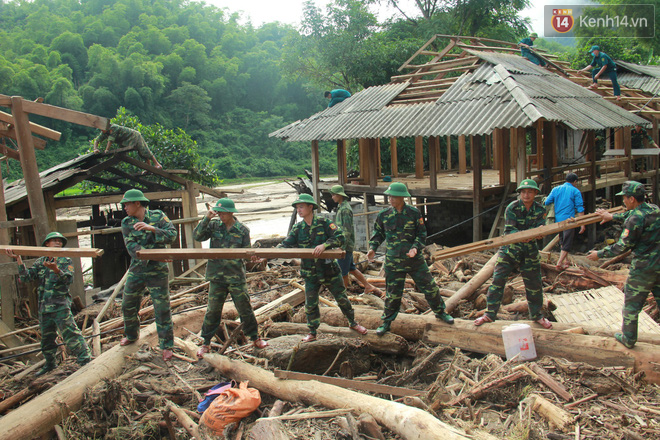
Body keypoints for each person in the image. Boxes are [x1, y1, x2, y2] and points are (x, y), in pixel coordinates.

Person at [367, 182, 454, 336]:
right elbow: (378, 235)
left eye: (394, 196)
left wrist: (415, 247)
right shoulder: (384, 216)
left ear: (402, 197)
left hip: (415, 261)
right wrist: (372, 248)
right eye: (390, 196)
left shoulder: (414, 213)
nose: (391, 199)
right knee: (393, 294)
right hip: (393, 262)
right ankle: (386, 322)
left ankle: (441, 313)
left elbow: (421, 234)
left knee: (430, 287)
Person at [278, 193, 367, 342]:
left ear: (310, 207)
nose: (298, 210)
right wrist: (265, 255)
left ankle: (353, 323)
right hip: (310, 272)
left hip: (329, 270)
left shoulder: (324, 223)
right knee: (311, 303)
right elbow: (285, 245)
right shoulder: (298, 228)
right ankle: (312, 332)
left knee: (342, 298)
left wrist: (325, 245)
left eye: (301, 207)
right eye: (297, 208)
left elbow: (340, 237)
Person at [6, 232, 91, 376]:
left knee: (71, 334)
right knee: (47, 339)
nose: (58, 243)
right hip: (44, 308)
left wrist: (56, 270)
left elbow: (68, 280)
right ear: (47, 244)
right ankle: (50, 364)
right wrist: (18, 260)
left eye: (60, 241)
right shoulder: (41, 261)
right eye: (54, 241)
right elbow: (27, 277)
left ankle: (85, 360)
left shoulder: (65, 260)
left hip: (60, 306)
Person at [587, 181, 660, 348]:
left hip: (644, 269)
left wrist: (599, 254)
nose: (624, 202)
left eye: (625, 198)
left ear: (632, 199)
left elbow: (622, 246)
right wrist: (611, 216)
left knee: (631, 307)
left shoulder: (634, 218)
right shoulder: (654, 209)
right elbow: (633, 216)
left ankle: (628, 338)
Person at [194, 198, 268, 357]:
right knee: (213, 310)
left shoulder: (242, 230)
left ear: (231, 212)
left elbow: (246, 254)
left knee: (245, 308)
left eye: (223, 212)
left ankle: (255, 337)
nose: (220, 215)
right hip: (217, 276)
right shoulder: (213, 226)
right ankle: (205, 342)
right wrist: (207, 217)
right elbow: (197, 236)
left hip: (235, 277)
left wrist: (254, 259)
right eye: (218, 212)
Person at [475, 179, 553, 329]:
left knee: (534, 284)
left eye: (530, 192)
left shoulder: (540, 210)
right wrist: (525, 234)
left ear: (535, 193)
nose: (526, 194)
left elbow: (540, 229)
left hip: (529, 252)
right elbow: (510, 230)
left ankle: (537, 315)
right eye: (523, 192)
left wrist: (539, 234)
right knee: (498, 281)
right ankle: (490, 314)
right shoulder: (512, 207)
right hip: (510, 250)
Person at [119, 189, 177, 360]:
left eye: (127, 204)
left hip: (158, 271)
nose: (125, 207)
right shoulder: (126, 222)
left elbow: (172, 235)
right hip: (137, 270)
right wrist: (152, 254)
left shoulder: (158, 216)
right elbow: (131, 247)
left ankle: (166, 345)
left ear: (137, 203)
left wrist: (152, 229)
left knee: (162, 308)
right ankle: (131, 335)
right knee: (128, 304)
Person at [329, 185, 383, 298]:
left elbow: (347, 230)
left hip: (345, 246)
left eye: (334, 194)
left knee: (342, 272)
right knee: (351, 268)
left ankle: (342, 296)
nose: (332, 197)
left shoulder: (345, 209)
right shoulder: (341, 207)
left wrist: (342, 246)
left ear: (339, 195)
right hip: (343, 244)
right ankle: (368, 286)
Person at [544, 172, 585, 270]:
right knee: (567, 242)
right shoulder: (575, 191)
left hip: (558, 220)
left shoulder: (556, 189)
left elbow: (547, 202)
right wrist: (582, 224)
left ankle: (566, 260)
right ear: (575, 181)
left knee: (563, 239)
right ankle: (559, 262)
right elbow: (580, 208)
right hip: (569, 221)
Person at [94, 124, 162, 169]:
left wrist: (107, 150)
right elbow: (97, 140)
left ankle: (157, 164)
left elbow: (110, 140)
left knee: (143, 150)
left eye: (102, 129)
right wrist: (95, 149)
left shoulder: (113, 128)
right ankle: (148, 167)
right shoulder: (104, 132)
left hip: (134, 136)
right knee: (141, 153)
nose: (102, 130)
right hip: (125, 141)